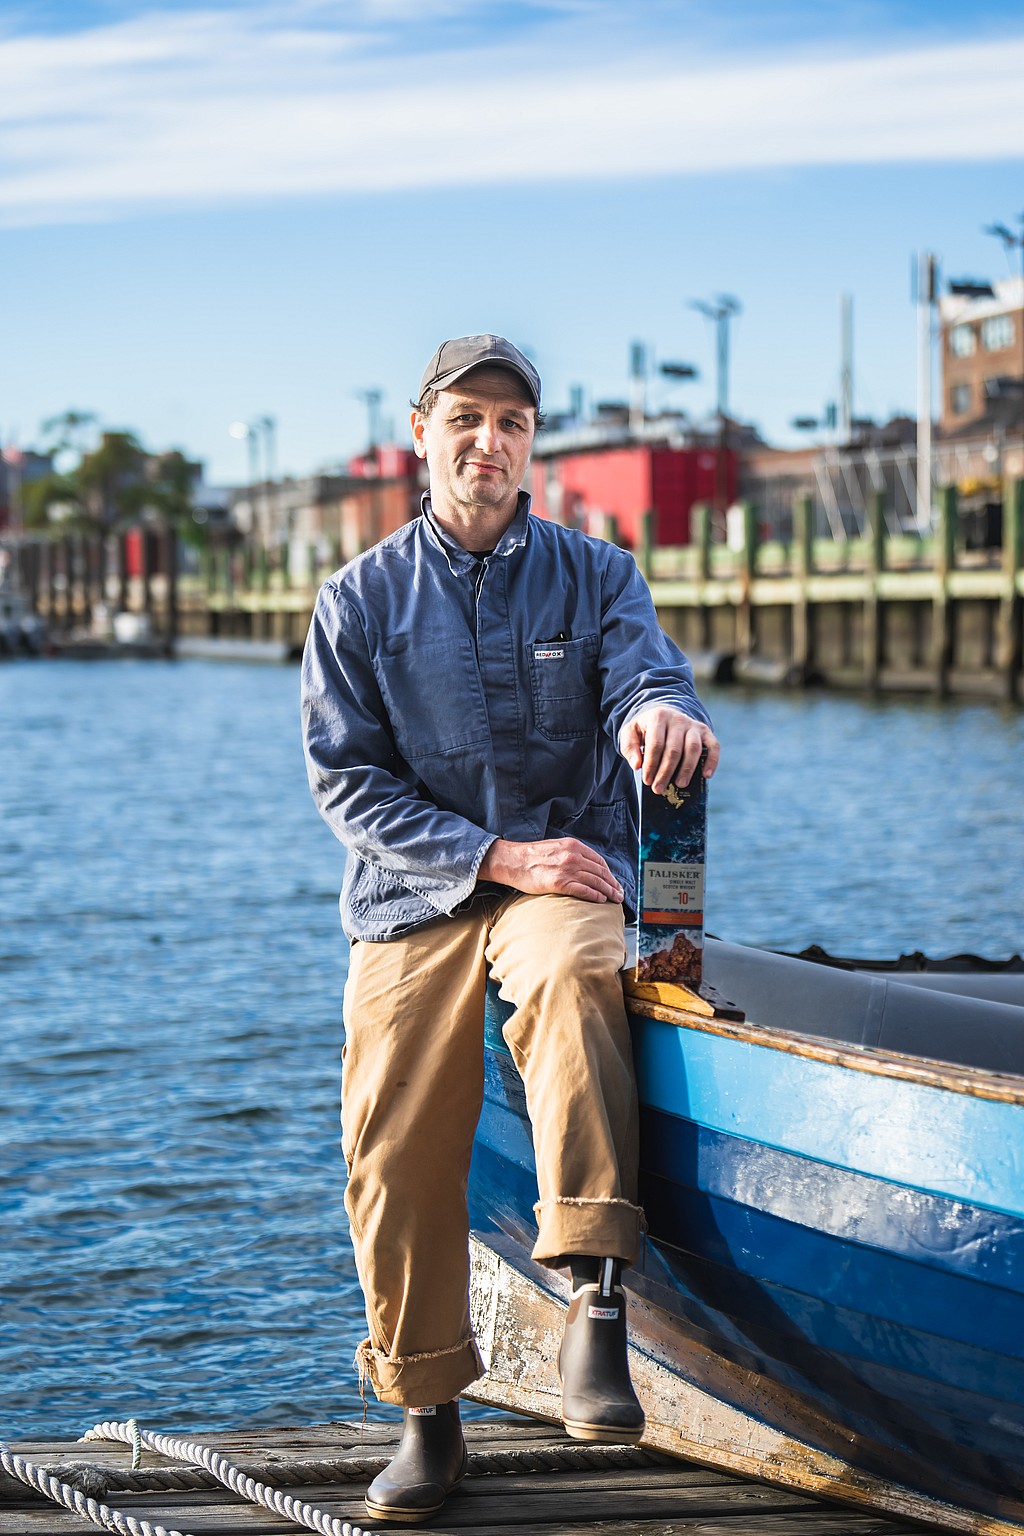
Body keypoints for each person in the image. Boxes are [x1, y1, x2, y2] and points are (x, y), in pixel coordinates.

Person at [301, 334, 719, 1524]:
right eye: (467, 419)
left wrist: (664, 717)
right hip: (414, 898)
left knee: (579, 979)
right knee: (389, 1130)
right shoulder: (357, 601)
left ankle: (594, 1299)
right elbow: (348, 786)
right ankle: (427, 1409)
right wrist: (491, 854)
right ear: (421, 433)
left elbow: (647, 677)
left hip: (560, 876)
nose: (490, 442)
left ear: (533, 444)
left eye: (513, 423)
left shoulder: (597, 576)